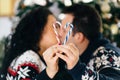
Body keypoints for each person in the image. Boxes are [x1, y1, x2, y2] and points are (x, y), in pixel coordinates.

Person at [54, 4, 120, 80]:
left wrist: (76, 69)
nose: (59, 34)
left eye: (64, 30)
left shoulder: (108, 54)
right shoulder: (69, 57)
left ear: (79, 37)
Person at [0, 6, 60, 80]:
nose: (60, 32)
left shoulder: (28, 56)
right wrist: (49, 73)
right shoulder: (30, 59)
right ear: (39, 31)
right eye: (55, 26)